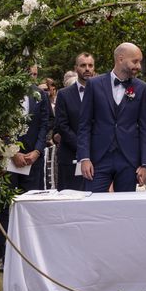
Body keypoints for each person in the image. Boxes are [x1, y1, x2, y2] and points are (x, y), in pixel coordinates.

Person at [77, 42, 146, 192]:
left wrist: (144, 164)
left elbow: (145, 128)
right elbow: (84, 124)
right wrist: (84, 158)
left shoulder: (142, 88)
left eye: (140, 62)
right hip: (98, 158)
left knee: (125, 209)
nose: (139, 66)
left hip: (129, 160)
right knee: (92, 204)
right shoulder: (94, 84)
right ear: (120, 58)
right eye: (135, 61)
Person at [0, 80, 50, 267]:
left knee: (32, 206)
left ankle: (31, 255)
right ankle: (5, 254)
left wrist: (37, 151)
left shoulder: (39, 94)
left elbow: (45, 124)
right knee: (5, 206)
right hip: (8, 159)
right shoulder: (2, 93)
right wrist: (13, 152)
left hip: (33, 160)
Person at [54, 52, 95, 190]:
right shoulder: (63, 94)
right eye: (83, 65)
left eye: (90, 65)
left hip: (97, 157)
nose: (87, 68)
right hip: (70, 156)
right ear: (76, 68)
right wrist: (83, 148)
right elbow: (62, 126)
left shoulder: (102, 93)